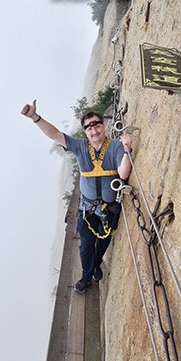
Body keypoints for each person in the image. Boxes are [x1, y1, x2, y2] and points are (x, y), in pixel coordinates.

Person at [21, 99, 131, 293]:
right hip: (87, 210)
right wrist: (35, 118)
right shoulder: (80, 146)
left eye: (97, 125)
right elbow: (55, 134)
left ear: (103, 127)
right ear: (85, 131)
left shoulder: (114, 146)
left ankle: (95, 265)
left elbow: (122, 173)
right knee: (86, 247)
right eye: (89, 127)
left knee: (103, 242)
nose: (94, 130)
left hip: (109, 209)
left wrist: (127, 150)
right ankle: (86, 276)